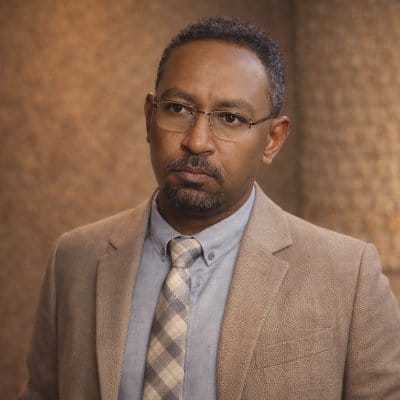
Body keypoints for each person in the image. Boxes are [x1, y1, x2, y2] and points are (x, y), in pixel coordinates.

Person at [20, 16, 400, 400]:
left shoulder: (347, 276)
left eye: (230, 118)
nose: (197, 141)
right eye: (178, 109)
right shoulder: (74, 259)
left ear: (273, 139)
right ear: (150, 117)